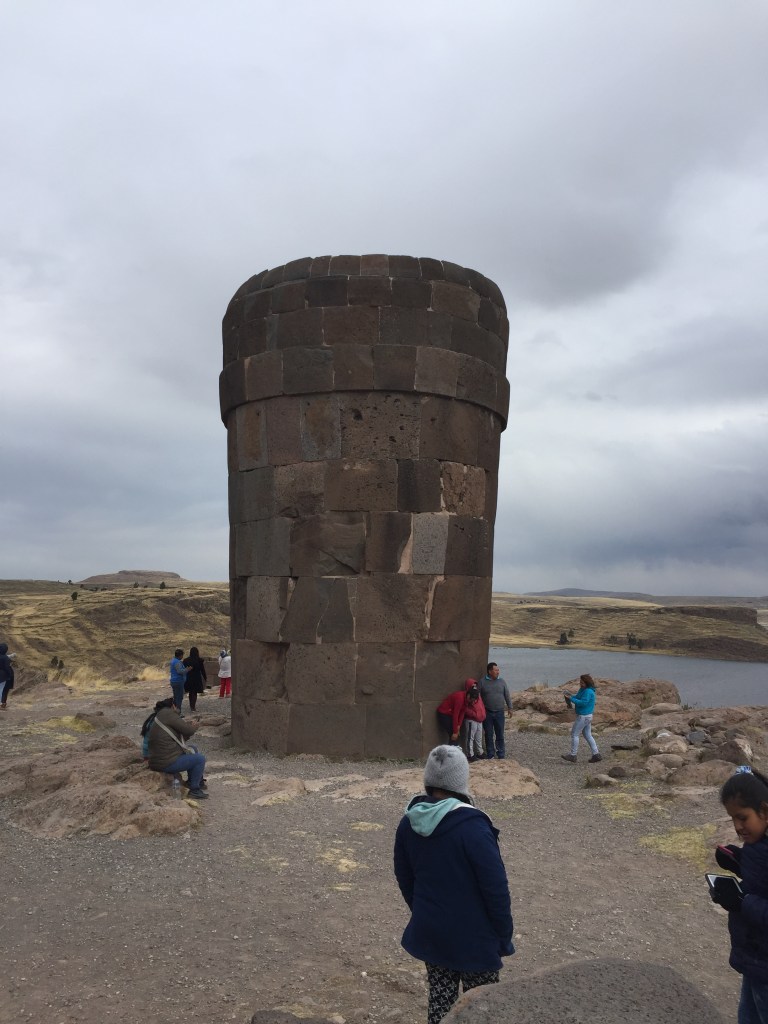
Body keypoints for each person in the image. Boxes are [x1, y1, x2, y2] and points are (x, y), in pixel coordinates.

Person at [393, 745, 515, 1024]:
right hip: (476, 938)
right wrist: (503, 933)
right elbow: (495, 888)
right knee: (481, 1008)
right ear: (461, 782)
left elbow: (405, 877)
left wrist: (423, 911)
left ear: (428, 780)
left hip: (433, 932)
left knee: (440, 1004)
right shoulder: (474, 828)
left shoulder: (409, 822)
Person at [711, 766, 768, 1023]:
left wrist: (741, 901)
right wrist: (739, 861)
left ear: (764, 811)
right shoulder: (759, 842)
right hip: (756, 959)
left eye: (742, 818)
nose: (737, 826)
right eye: (732, 819)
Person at [147, 701, 209, 799]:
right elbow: (188, 730)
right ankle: (194, 790)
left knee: (192, 748)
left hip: (158, 760)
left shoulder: (161, 716)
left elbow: (178, 738)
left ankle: (194, 782)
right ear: (173, 706)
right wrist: (194, 727)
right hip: (166, 762)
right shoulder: (168, 714)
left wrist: (188, 727)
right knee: (200, 759)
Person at [561, 673, 602, 763]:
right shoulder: (583, 689)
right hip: (588, 716)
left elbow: (583, 703)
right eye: (580, 682)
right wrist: (570, 695)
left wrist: (571, 699)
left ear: (587, 683)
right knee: (588, 735)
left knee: (574, 734)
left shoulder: (588, 691)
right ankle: (596, 754)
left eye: (582, 682)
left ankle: (573, 755)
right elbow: (578, 697)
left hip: (583, 716)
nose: (581, 684)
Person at [478, 663, 512, 759]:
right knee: (488, 734)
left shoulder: (502, 681)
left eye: (498, 670)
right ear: (490, 671)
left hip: (500, 712)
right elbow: (477, 697)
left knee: (500, 734)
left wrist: (510, 707)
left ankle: (501, 754)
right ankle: (490, 754)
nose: (498, 672)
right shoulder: (482, 682)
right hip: (487, 712)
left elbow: (507, 695)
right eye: (496, 670)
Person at [462, 678, 486, 763]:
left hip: (480, 719)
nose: (474, 687)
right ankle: (470, 754)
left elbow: (481, 705)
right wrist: (474, 714)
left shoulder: (477, 694)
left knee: (479, 737)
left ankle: (480, 752)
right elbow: (464, 708)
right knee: (470, 738)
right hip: (471, 719)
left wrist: (483, 714)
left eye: (475, 685)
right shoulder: (467, 696)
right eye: (473, 685)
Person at [183, 646, 207, 712]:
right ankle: (193, 707)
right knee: (195, 692)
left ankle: (191, 706)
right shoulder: (199, 660)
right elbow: (202, 670)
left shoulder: (186, 660)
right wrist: (205, 678)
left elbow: (184, 669)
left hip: (189, 678)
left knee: (190, 692)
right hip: (197, 678)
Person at [169, 648, 190, 712]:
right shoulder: (177, 662)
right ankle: (178, 712)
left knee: (176, 697)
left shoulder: (173, 661)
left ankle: (173, 711)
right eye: (182, 655)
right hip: (178, 681)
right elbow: (180, 671)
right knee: (179, 697)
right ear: (180, 655)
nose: (182, 657)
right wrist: (187, 669)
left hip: (174, 681)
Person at [0, 642, 15, 711]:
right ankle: (2, 703)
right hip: (3, 676)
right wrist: (9, 674)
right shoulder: (6, 658)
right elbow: (7, 668)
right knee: (2, 689)